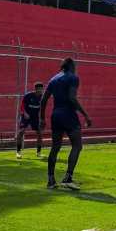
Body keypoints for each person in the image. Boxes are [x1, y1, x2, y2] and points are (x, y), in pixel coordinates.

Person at [40, 58, 92, 191]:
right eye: (75, 66)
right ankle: (68, 178)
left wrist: (42, 118)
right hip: (68, 114)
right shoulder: (73, 77)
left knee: (55, 147)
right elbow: (72, 98)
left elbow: (44, 100)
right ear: (71, 66)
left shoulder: (53, 79)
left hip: (55, 115)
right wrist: (85, 114)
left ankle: (51, 180)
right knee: (77, 145)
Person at [17, 82, 44, 159]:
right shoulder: (28, 95)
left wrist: (42, 118)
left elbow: (42, 108)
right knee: (21, 132)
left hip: (35, 117)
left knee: (39, 134)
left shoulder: (42, 97)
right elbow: (22, 106)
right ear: (35, 89)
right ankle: (18, 152)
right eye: (38, 89)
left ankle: (38, 153)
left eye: (41, 89)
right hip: (26, 116)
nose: (40, 91)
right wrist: (25, 113)